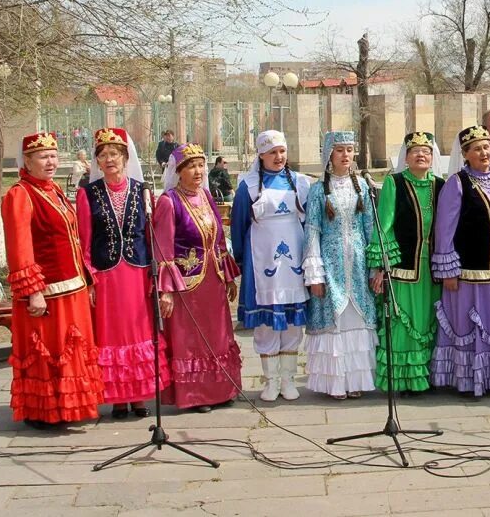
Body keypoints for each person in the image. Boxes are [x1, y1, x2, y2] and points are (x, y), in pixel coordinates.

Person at [1, 132, 104, 429]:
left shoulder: (53, 189)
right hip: (46, 292)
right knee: (50, 352)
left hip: (71, 287)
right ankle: (44, 411)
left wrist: (85, 280)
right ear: (28, 161)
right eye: (43, 157)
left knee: (70, 350)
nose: (50, 162)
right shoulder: (20, 194)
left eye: (54, 156)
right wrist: (33, 291)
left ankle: (68, 407)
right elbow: (20, 247)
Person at [76, 127, 169, 419]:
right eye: (102, 155)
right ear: (97, 162)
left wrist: (158, 278)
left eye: (114, 154)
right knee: (112, 334)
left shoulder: (142, 192)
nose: (109, 160)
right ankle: (117, 398)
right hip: (106, 276)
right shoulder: (87, 194)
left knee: (139, 330)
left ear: (126, 157)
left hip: (138, 273)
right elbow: (84, 238)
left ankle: (140, 396)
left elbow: (150, 235)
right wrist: (89, 277)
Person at [155, 143, 242, 413]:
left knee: (217, 335)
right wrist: (166, 291)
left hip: (212, 282)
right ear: (178, 171)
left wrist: (228, 278)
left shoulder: (206, 196)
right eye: (191, 166)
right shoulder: (169, 202)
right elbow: (163, 248)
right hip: (186, 285)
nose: (198, 171)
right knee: (191, 339)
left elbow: (218, 240)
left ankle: (222, 389)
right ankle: (196, 395)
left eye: (201, 165)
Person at [431, 125, 490, 397]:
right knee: (469, 324)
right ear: (465, 154)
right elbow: (445, 229)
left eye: (486, 146)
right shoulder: (457, 182)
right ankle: (469, 380)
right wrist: (448, 271)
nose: (484, 152)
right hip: (467, 271)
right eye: (476, 148)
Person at [231, 130, 311, 402]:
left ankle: (289, 379)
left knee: (291, 321)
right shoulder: (248, 185)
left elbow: (309, 222)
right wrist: (242, 260)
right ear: (261, 155)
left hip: (294, 261)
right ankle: (271, 380)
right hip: (262, 260)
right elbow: (239, 224)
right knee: (266, 321)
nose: (278, 157)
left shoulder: (301, 183)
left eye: (282, 151)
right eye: (272, 152)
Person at [368, 131, 445, 393]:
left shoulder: (440, 184)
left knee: (428, 320)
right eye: (415, 151)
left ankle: (427, 376)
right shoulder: (395, 183)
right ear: (406, 157)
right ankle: (403, 379)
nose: (421, 155)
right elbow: (385, 226)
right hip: (403, 266)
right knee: (404, 321)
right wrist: (382, 265)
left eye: (426, 151)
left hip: (432, 267)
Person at [303, 131, 377, 400]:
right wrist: (315, 275)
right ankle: (335, 383)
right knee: (335, 322)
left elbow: (370, 228)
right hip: (330, 263)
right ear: (329, 154)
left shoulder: (364, 188)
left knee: (357, 320)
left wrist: (375, 266)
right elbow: (312, 231)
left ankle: (355, 380)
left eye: (350, 149)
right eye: (340, 150)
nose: (346, 155)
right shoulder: (317, 191)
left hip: (357, 264)